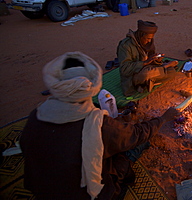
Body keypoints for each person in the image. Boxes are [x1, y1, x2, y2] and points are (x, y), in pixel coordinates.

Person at [19, 51, 181, 200]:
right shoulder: (95, 123)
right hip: (87, 194)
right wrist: (163, 118)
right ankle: (121, 184)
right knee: (135, 147)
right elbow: (136, 134)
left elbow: (26, 146)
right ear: (88, 88)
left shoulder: (37, 115)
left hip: (41, 192)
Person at [117, 20, 178, 96]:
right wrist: (144, 63)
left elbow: (151, 60)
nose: (149, 41)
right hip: (134, 75)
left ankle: (148, 82)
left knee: (172, 72)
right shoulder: (125, 45)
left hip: (148, 68)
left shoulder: (148, 43)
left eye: (151, 39)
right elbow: (124, 69)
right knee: (147, 74)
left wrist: (157, 60)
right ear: (140, 35)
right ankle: (162, 69)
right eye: (147, 38)